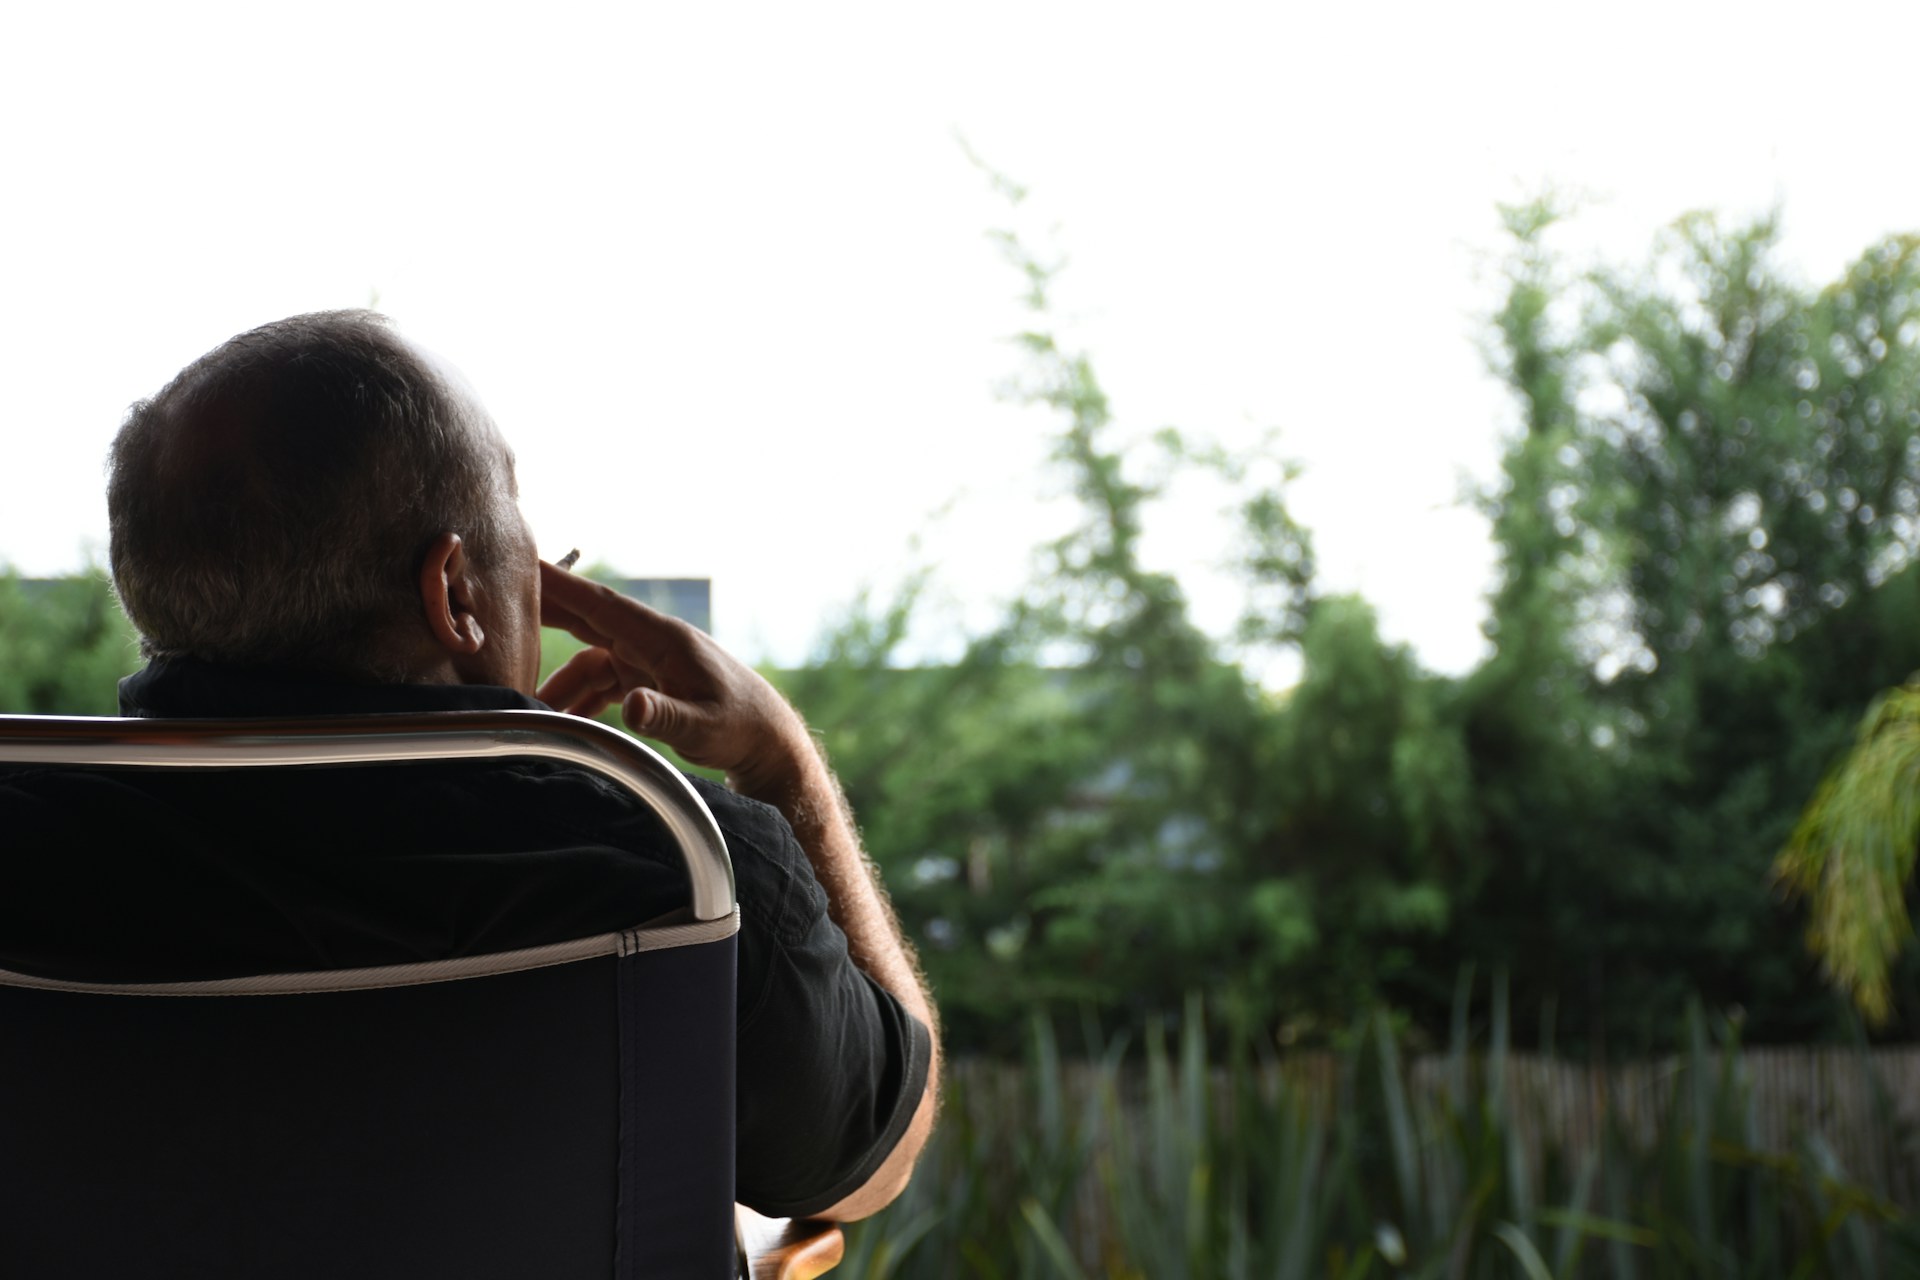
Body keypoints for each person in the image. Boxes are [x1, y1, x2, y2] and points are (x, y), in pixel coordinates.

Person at [0, 310, 937, 1221]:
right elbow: (869, 1167)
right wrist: (783, 763)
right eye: (517, 517)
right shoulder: (684, 867)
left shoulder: (27, 845)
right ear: (454, 591)